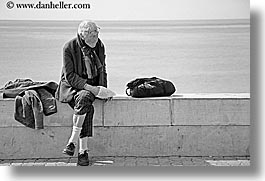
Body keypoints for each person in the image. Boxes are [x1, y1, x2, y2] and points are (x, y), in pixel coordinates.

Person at [55, 20, 115, 166]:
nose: (96, 37)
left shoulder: (99, 45)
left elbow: (102, 69)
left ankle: (72, 141)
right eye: (92, 34)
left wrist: (103, 90)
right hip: (72, 87)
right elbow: (70, 76)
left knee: (85, 98)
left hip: (92, 86)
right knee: (86, 101)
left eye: (97, 33)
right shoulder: (69, 47)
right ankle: (83, 151)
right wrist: (93, 89)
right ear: (83, 34)